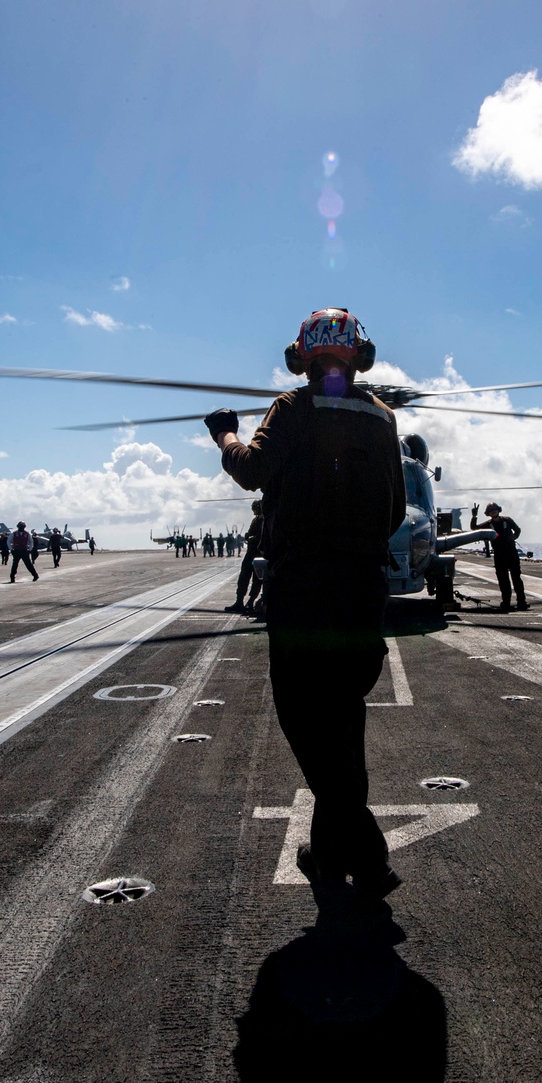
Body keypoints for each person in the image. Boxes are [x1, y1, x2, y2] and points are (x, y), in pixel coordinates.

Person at [205, 307, 406, 901]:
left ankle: (367, 858)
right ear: (357, 355)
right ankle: (328, 856)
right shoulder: (382, 419)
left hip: (305, 593)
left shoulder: (292, 409)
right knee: (343, 719)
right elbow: (394, 510)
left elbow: (253, 470)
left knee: (305, 719)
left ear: (304, 355)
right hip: (364, 593)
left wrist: (226, 433)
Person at [470, 501, 529, 612]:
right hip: (500, 555)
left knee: (516, 578)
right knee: (503, 580)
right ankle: (506, 602)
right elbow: (474, 528)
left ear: (498, 510)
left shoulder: (507, 520)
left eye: (495, 509)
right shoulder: (488, 524)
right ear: (488, 513)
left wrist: (514, 537)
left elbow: (518, 530)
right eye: (491, 510)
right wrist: (474, 516)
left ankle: (522, 602)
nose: (493, 511)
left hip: (512, 553)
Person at [226, 499, 264, 614]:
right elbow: (250, 533)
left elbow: (265, 535)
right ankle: (239, 601)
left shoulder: (265, 519)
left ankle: (251, 602)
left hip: (259, 553)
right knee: (243, 577)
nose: (253, 509)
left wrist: (255, 538)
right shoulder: (255, 520)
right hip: (250, 552)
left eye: (255, 507)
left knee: (257, 579)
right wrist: (248, 536)